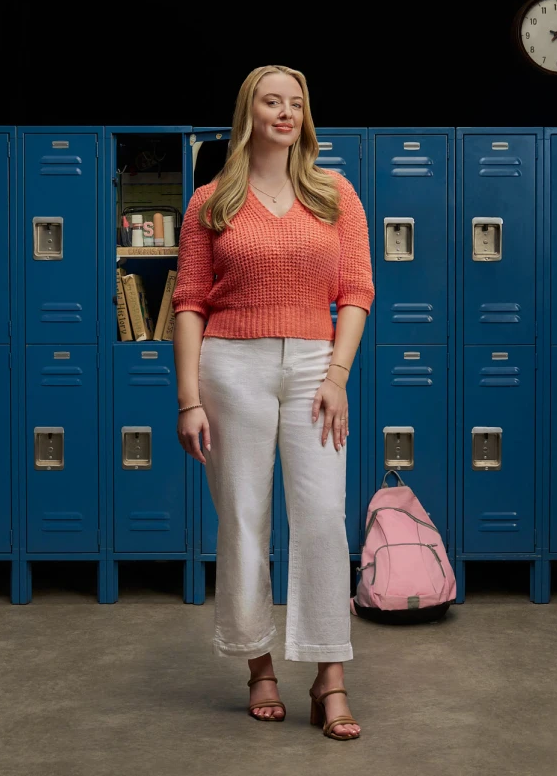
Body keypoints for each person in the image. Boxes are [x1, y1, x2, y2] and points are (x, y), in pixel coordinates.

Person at [171, 64, 375, 741]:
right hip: (231, 367)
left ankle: (329, 675)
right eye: (271, 101)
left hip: (316, 364)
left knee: (322, 519)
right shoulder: (211, 202)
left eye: (296, 103)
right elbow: (189, 302)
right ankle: (258, 665)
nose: (286, 112)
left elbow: (356, 292)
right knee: (244, 520)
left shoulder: (335, 194)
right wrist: (189, 398)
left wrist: (338, 374)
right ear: (249, 113)